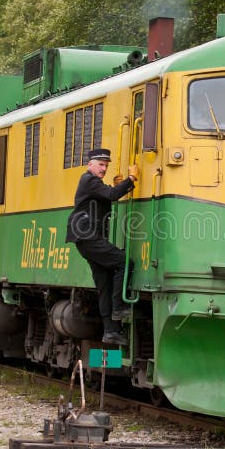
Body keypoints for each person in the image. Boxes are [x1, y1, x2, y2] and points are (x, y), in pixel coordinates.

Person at [66, 148, 139, 346]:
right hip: (88, 237)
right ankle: (119, 308)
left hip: (88, 239)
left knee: (104, 283)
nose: (104, 168)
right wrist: (131, 179)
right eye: (100, 165)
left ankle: (110, 332)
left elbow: (107, 195)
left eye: (106, 165)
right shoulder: (88, 179)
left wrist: (117, 187)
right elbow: (112, 195)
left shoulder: (93, 183)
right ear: (90, 164)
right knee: (125, 263)